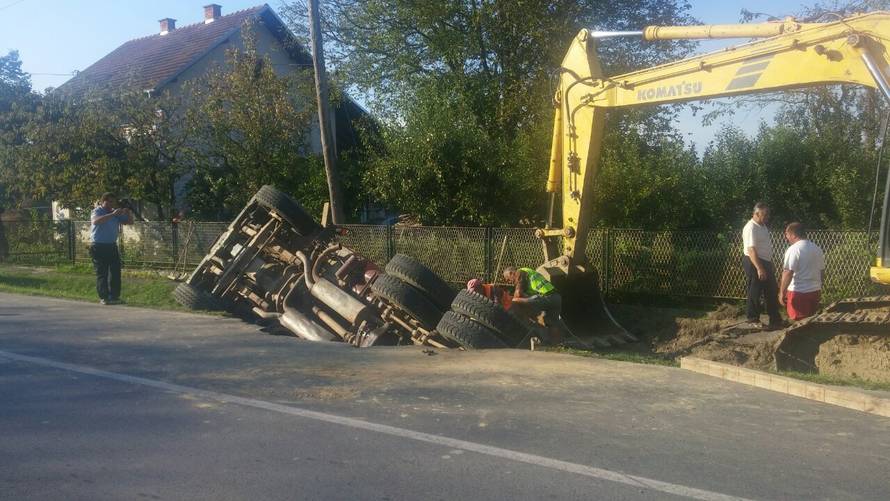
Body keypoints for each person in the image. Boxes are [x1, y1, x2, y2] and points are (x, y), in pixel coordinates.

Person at [741, 202, 783, 330]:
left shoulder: (762, 226)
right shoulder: (751, 227)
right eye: (764, 215)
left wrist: (769, 263)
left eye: (768, 214)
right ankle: (752, 319)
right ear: (756, 214)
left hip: (765, 261)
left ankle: (775, 320)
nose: (767, 217)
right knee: (755, 290)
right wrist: (760, 268)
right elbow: (751, 249)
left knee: (771, 289)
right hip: (754, 261)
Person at [502, 266, 570, 342]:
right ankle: (557, 344)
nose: (509, 282)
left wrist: (512, 300)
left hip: (544, 297)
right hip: (556, 298)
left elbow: (518, 293)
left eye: (508, 279)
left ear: (511, 273)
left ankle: (530, 329)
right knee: (552, 323)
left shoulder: (519, 272)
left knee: (515, 301)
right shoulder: (529, 272)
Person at [90, 192, 133, 305]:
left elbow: (129, 222)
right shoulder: (98, 211)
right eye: (108, 201)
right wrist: (113, 214)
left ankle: (114, 296)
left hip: (111, 246)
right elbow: (96, 221)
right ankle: (104, 297)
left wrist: (127, 212)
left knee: (115, 272)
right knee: (102, 272)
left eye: (113, 201)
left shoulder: (115, 212)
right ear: (102, 201)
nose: (111, 203)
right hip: (98, 246)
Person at [779, 222, 825, 321]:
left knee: (799, 323)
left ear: (793, 234)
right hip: (815, 291)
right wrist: (819, 286)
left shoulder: (794, 250)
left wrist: (782, 293)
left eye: (787, 234)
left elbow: (788, 272)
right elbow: (821, 271)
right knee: (811, 322)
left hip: (799, 292)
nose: (786, 237)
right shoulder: (817, 249)